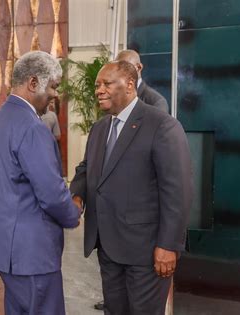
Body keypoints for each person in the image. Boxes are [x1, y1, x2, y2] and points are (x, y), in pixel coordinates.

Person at [70, 61, 192, 315]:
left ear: (129, 84)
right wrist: (77, 194)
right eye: (97, 85)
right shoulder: (100, 127)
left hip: (146, 252)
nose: (99, 90)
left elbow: (177, 191)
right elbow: (86, 167)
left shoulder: (161, 125)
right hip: (107, 245)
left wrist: (169, 245)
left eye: (106, 83)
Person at [0, 51, 81, 315]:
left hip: (8, 244)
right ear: (33, 83)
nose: (55, 94)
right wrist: (73, 213)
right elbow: (52, 193)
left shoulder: (4, 116)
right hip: (30, 251)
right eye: (53, 86)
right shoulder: (33, 126)